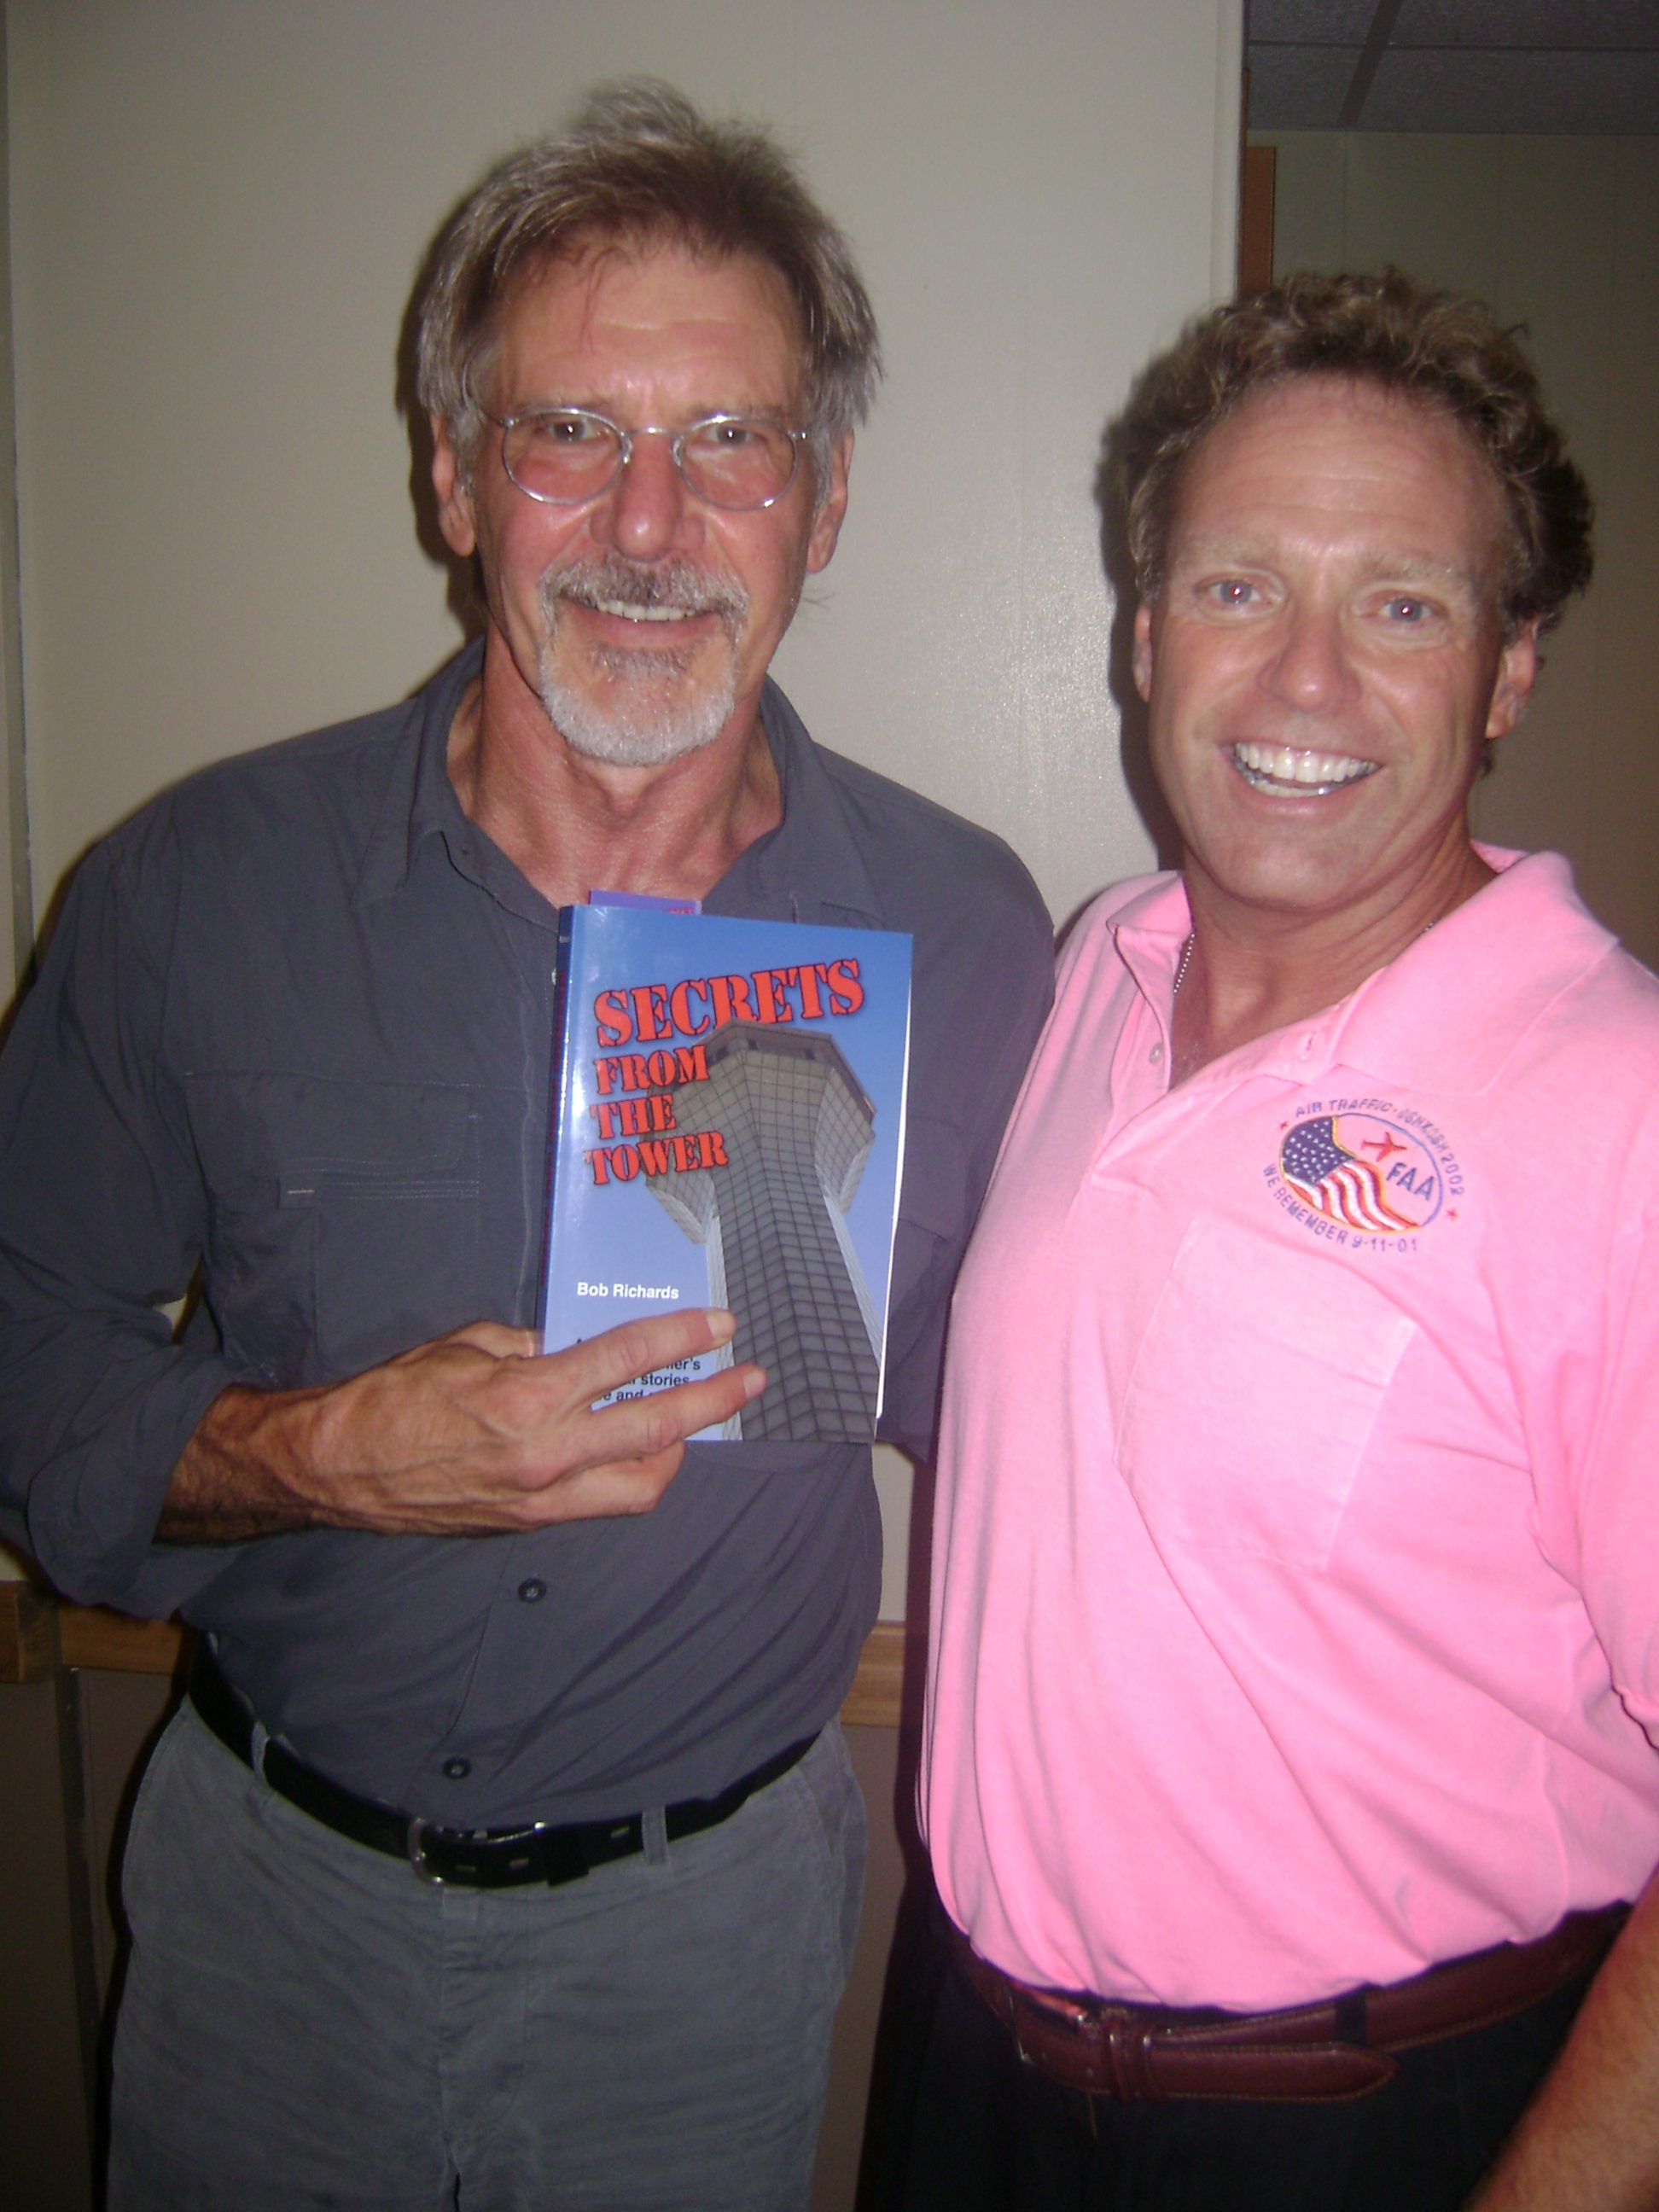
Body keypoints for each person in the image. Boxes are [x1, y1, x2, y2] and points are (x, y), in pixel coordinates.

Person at [0, 83, 1052, 2211]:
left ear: (822, 501)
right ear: (457, 476)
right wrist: (318, 1455)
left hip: (706, 1946)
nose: (651, 523)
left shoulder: (964, 928)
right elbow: (19, 1345)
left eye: (732, 443)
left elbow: (1027, 1385)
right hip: (262, 1907)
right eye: (571, 432)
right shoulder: (194, 887)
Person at [882, 270, 1659, 2211]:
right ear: (1147, 640)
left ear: (1508, 668)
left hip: (1374, 2128)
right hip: (968, 2068)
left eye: (1400, 603)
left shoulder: (1618, 1108)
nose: (1306, 680)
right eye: (1239, 586)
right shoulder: (1101, 967)